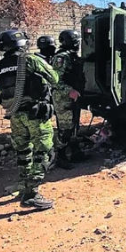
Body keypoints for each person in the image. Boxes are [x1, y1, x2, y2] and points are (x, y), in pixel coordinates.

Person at [0, 30, 59, 209]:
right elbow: (54, 78)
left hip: (15, 116)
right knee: (44, 151)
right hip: (35, 114)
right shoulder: (30, 60)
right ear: (22, 44)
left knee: (23, 152)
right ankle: (31, 193)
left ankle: (24, 185)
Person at [52, 30, 85, 168]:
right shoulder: (61, 58)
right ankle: (60, 156)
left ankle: (76, 153)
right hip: (63, 98)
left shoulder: (72, 56)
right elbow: (54, 81)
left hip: (74, 97)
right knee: (65, 129)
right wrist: (69, 90)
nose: (78, 44)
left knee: (74, 126)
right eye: (76, 41)